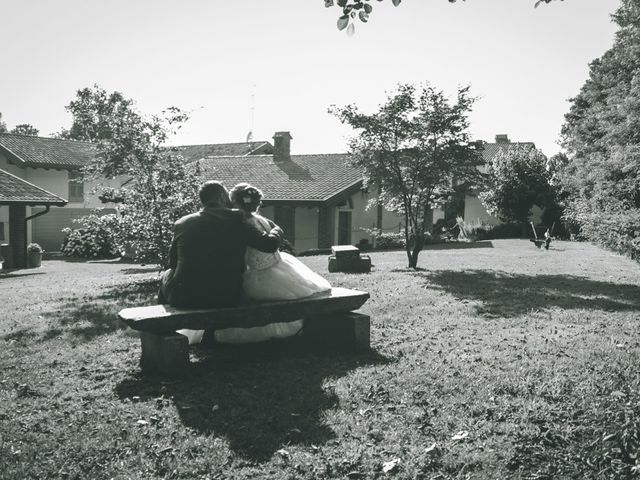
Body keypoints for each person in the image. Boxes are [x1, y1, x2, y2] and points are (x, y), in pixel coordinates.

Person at [158, 181, 283, 343]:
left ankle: (162, 329)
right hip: (228, 295)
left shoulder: (183, 223)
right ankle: (207, 332)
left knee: (166, 275)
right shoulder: (237, 219)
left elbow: (172, 263)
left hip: (185, 298)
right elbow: (269, 245)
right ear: (222, 197)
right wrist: (277, 230)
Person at [213, 183, 331, 344]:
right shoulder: (263, 220)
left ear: (234, 201)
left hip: (259, 275)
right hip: (280, 267)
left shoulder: (239, 223)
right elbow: (275, 233)